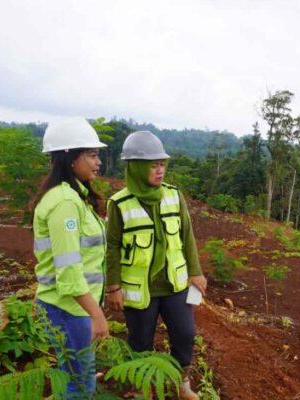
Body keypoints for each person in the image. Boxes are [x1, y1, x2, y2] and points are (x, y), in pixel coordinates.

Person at [105, 131, 207, 400]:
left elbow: (187, 236)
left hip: (174, 284)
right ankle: (143, 387)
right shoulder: (119, 204)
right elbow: (112, 247)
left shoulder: (174, 196)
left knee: (185, 334)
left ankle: (180, 383)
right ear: (137, 167)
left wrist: (195, 271)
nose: (160, 170)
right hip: (140, 289)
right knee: (140, 341)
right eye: (153, 165)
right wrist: (113, 286)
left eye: (162, 163)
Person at [32, 117, 109, 398]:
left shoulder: (75, 197)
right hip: (69, 309)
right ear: (70, 158)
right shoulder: (65, 202)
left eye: (97, 154)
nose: (98, 162)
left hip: (72, 307)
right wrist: (96, 314)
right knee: (79, 384)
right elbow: (69, 271)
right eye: (91, 155)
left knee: (77, 376)